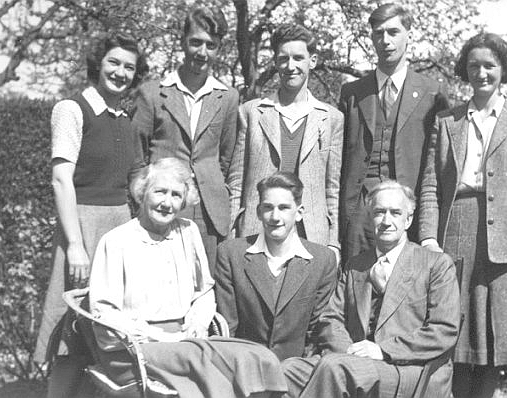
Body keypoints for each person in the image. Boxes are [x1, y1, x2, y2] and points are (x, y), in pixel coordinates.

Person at [89, 158, 288, 398]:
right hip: (136, 350)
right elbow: (103, 312)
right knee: (206, 364)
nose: (166, 202)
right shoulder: (116, 241)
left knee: (257, 356)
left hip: (187, 340)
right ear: (142, 193)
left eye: (175, 195)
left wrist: (198, 322)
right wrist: (155, 336)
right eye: (160, 192)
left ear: (184, 201)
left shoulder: (188, 231)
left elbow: (204, 290)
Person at [418, 32, 507, 398]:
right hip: (455, 232)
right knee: (452, 337)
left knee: (491, 345)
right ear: (465, 70)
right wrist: (428, 238)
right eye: (474, 65)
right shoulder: (447, 121)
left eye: (489, 65)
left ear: (503, 70)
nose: (481, 73)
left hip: (505, 241)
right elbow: (430, 186)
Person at [33, 32, 148, 398]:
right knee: (71, 333)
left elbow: (132, 183)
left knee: (110, 334)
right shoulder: (72, 109)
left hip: (119, 228)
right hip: (81, 227)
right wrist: (76, 245)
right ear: (97, 64)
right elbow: (60, 179)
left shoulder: (125, 119)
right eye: (114, 62)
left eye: (129, 67)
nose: (120, 72)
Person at [286, 180, 460, 398]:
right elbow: (331, 318)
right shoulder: (355, 266)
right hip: (353, 361)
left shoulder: (436, 264)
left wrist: (383, 350)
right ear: (370, 218)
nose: (386, 221)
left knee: (334, 369)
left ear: (409, 219)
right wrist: (348, 352)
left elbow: (444, 330)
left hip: (407, 368)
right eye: (379, 212)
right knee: (289, 371)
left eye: (395, 213)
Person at [131, 5, 239, 272]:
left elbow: (226, 158)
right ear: (182, 42)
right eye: (196, 42)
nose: (202, 53)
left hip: (208, 213)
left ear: (219, 49)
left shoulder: (227, 98)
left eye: (211, 45)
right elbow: (136, 158)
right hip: (160, 206)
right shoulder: (153, 94)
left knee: (203, 285)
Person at [339, 3, 449, 261]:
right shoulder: (352, 93)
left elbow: (439, 165)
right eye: (378, 33)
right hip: (360, 213)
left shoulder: (432, 93)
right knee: (357, 286)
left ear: (409, 34)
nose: (385, 40)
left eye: (393, 32)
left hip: (407, 212)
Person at [228, 24, 343, 262]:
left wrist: (333, 242)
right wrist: (232, 235)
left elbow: (332, 189)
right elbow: (237, 182)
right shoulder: (251, 112)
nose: (291, 67)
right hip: (257, 232)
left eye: (298, 58)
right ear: (276, 63)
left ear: (312, 61)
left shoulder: (331, 118)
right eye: (283, 59)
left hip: (310, 235)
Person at [215, 172, 337, 363]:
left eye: (284, 208)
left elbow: (317, 331)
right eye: (268, 208)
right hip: (244, 368)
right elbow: (227, 328)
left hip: (297, 372)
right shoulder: (231, 254)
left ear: (299, 213)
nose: (275, 217)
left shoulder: (322, 260)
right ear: (258, 212)